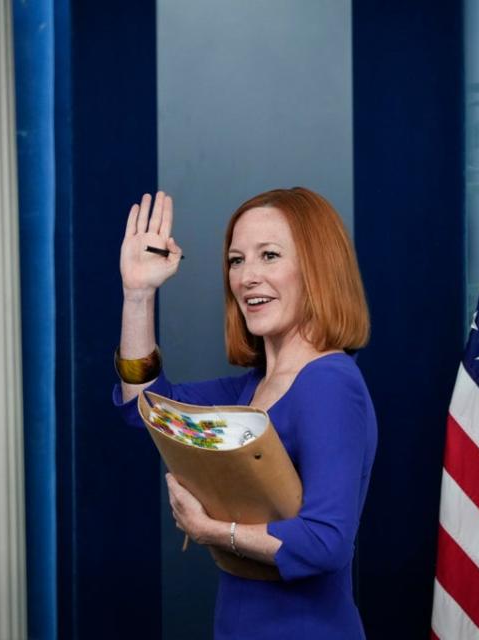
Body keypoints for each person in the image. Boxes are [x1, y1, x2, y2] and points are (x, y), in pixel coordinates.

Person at [113, 187, 377, 639]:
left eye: (269, 255)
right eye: (237, 261)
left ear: (317, 268)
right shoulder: (251, 388)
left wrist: (210, 530)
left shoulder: (330, 384)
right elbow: (146, 407)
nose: (247, 277)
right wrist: (137, 294)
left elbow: (326, 544)